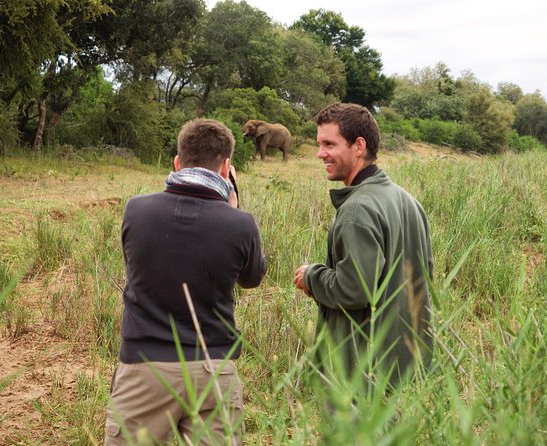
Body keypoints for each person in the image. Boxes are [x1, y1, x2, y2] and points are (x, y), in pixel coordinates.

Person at [105, 118, 267, 445]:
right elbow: (252, 278)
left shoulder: (136, 210)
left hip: (145, 365)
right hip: (213, 368)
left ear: (177, 162)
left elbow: (139, 266)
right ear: (226, 168)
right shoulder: (240, 223)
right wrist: (232, 207)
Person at [293, 103, 434, 389]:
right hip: (408, 366)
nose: (320, 153)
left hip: (363, 369)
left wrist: (312, 276)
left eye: (329, 144)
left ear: (359, 146)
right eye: (319, 144)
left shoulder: (357, 210)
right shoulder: (408, 201)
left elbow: (354, 289)